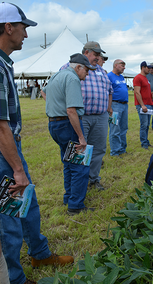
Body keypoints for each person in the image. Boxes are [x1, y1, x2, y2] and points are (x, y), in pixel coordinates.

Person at [0, 3, 73, 284]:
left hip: (11, 148)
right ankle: (14, 279)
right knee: (9, 216)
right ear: (8, 27)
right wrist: (16, 168)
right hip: (5, 151)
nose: (26, 35)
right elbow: (0, 125)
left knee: (27, 203)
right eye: (23, 28)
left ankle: (40, 253)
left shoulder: (5, 63)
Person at [44, 53, 96, 215]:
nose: (87, 75)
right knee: (80, 166)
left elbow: (43, 92)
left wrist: (55, 105)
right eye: (86, 71)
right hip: (68, 124)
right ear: (78, 67)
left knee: (68, 162)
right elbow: (71, 110)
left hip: (54, 124)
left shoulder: (57, 76)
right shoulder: (72, 78)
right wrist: (81, 137)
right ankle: (75, 205)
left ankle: (69, 197)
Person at [60, 41, 113, 191]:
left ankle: (93, 179)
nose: (98, 57)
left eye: (99, 55)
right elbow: (53, 89)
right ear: (86, 53)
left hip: (101, 117)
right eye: (95, 54)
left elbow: (110, 91)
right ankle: (78, 184)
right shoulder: (69, 67)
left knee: (98, 150)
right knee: (79, 150)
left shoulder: (102, 71)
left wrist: (108, 107)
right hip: (80, 117)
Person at [107, 59, 129, 156]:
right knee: (115, 129)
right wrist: (109, 107)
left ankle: (122, 149)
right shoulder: (109, 76)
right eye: (122, 65)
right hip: (115, 105)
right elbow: (107, 92)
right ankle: (115, 151)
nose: (124, 67)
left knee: (124, 128)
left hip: (124, 105)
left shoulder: (121, 77)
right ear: (116, 65)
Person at [133, 61, 153, 149]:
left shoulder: (146, 78)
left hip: (148, 104)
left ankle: (146, 141)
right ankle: (144, 143)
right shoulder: (138, 78)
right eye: (148, 68)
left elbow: (143, 91)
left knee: (147, 125)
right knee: (144, 125)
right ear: (143, 67)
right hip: (143, 105)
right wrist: (142, 105)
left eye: (150, 68)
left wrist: (151, 95)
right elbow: (137, 92)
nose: (150, 69)